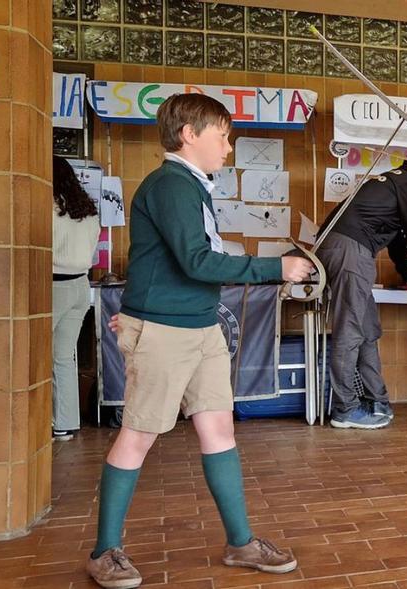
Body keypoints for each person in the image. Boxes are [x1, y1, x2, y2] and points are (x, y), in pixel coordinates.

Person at [86, 93, 313, 588]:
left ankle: (240, 543)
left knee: (220, 433)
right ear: (189, 134)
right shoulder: (171, 185)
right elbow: (196, 262)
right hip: (166, 331)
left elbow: (181, 261)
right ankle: (104, 551)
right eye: (222, 136)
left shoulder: (192, 186)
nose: (229, 148)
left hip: (202, 326)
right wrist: (277, 268)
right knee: (138, 436)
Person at [315, 150, 407, 429]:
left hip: (345, 248)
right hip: (351, 249)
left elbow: (399, 239)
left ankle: (377, 400)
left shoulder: (391, 186)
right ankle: (345, 409)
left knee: (368, 329)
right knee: (350, 331)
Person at [51, 156, 102, 441]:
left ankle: (42, 420)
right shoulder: (88, 211)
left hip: (53, 285)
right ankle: (66, 423)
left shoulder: (47, 206)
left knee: (33, 354)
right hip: (80, 285)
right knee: (63, 356)